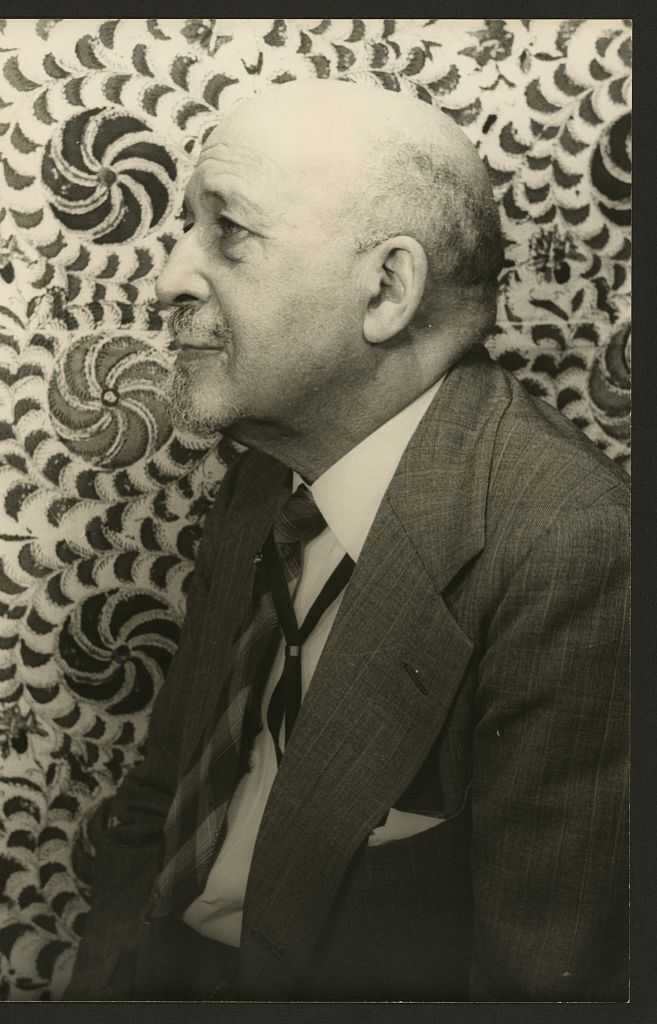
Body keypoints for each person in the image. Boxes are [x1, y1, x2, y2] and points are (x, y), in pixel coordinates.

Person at [64, 79, 629, 1002]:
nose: (166, 277)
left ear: (386, 289)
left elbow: (541, 990)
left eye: (228, 232)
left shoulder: (575, 553)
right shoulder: (265, 469)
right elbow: (156, 808)